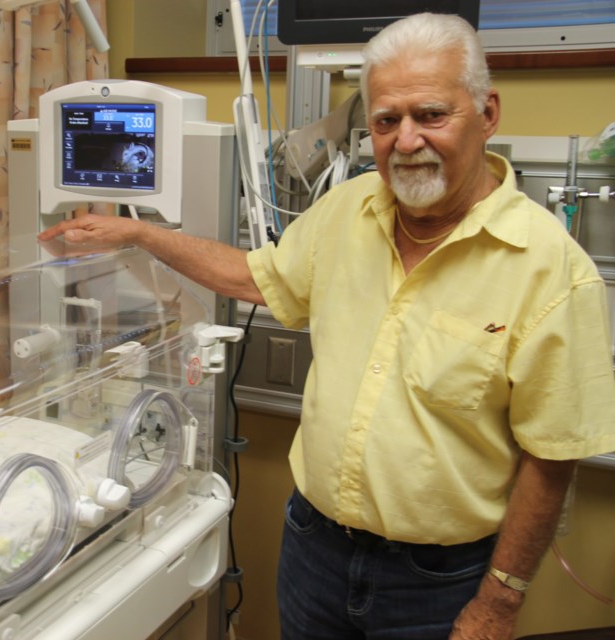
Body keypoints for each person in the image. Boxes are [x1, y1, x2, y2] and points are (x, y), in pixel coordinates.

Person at [39, 12, 615, 640]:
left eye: (431, 114)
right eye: (387, 120)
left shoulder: (549, 269)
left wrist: (499, 603)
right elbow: (257, 278)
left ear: (488, 113)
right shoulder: (347, 208)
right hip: (314, 549)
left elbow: (551, 457)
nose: (407, 139)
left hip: (438, 583)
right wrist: (140, 232)